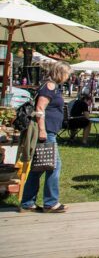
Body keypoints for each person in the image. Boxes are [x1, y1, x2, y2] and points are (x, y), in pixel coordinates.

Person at [19, 60, 71, 213]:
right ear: (61, 73)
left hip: (49, 131)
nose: (68, 77)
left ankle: (27, 203)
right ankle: (50, 203)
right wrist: (42, 130)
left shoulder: (51, 86)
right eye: (67, 73)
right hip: (46, 132)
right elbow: (40, 108)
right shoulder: (50, 86)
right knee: (54, 166)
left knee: (39, 167)